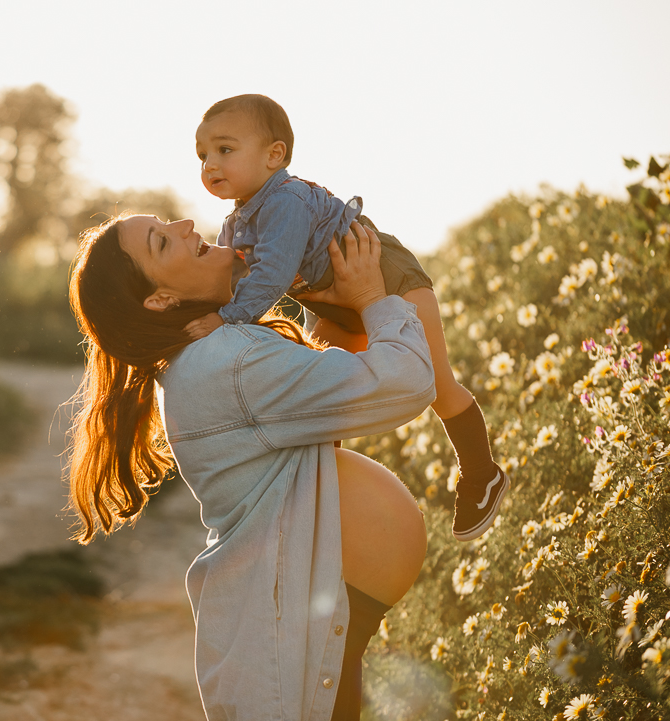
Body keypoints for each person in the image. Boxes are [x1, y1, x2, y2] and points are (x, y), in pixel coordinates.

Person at [68, 215, 433, 720]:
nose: (186, 223)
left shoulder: (212, 356)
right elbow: (408, 382)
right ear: (160, 300)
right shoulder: (225, 362)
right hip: (291, 635)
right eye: (162, 240)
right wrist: (374, 297)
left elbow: (309, 396)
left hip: (304, 621)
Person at [184, 93, 508, 542]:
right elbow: (234, 277)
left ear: (274, 155)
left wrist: (228, 319)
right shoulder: (235, 224)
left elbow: (273, 274)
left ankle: (481, 473)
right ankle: (321, 496)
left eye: (224, 150)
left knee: (436, 383)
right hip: (334, 301)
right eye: (202, 156)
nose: (210, 165)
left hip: (387, 277)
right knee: (329, 396)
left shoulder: (286, 201)